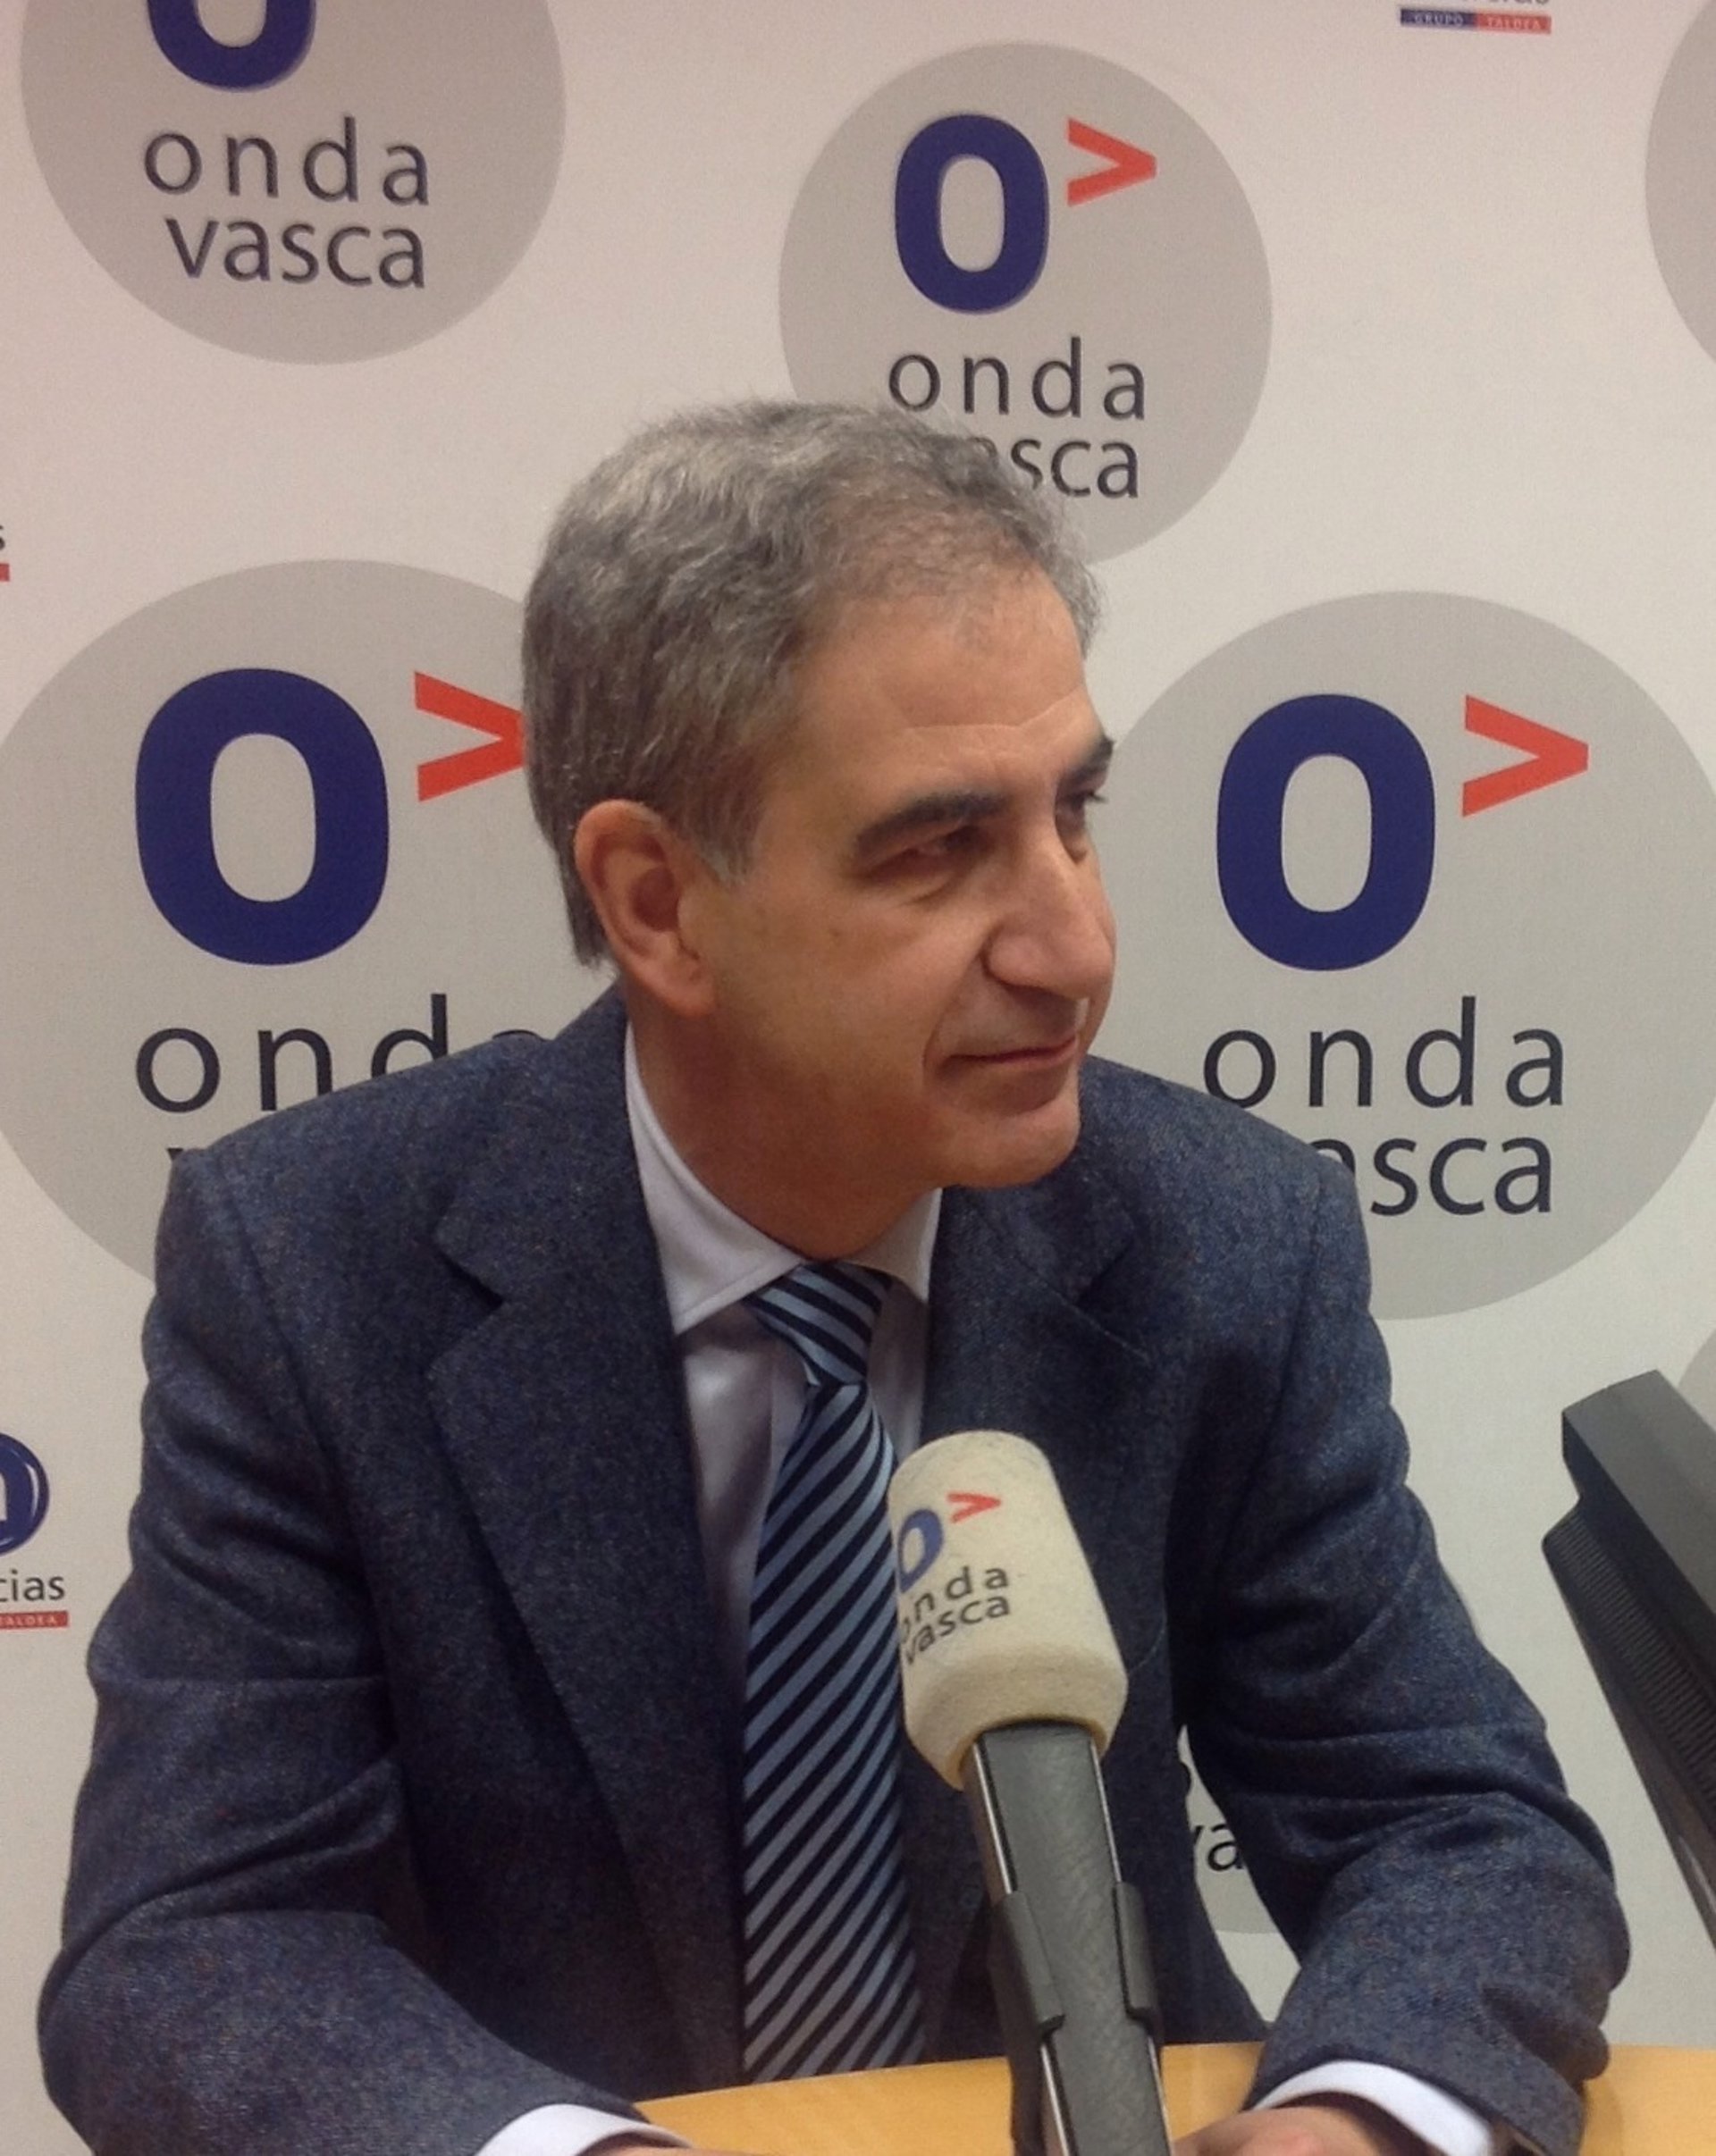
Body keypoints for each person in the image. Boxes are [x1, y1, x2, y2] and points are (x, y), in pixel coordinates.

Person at [41, 403, 1624, 2156]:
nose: (1075, 945)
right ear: (659, 902)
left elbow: (1459, 1828)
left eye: (1074, 811)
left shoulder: (1223, 1240)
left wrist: (1355, 2123)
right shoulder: (312, 1265)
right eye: (938, 849)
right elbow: (198, 1940)